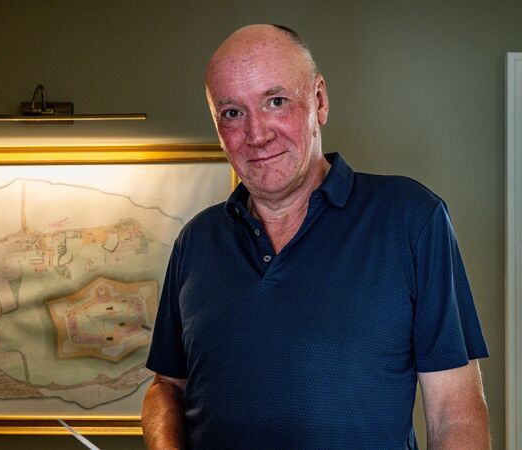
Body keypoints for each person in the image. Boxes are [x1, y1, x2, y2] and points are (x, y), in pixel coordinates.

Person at [142, 24, 490, 449]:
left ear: (320, 100)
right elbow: (167, 387)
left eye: (276, 102)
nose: (257, 134)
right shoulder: (195, 241)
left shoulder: (411, 219)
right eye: (232, 113)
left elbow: (455, 414)